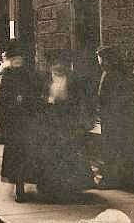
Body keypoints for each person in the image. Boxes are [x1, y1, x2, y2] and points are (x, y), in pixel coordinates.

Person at [32, 56, 93, 202]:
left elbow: (79, 100)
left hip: (67, 121)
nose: (58, 66)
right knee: (50, 154)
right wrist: (45, 102)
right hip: (50, 120)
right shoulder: (45, 81)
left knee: (69, 153)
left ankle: (71, 188)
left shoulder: (72, 81)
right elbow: (38, 98)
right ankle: (49, 188)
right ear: (51, 66)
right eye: (55, 64)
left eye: (61, 64)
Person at [0, 41, 38, 202]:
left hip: (27, 121)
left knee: (28, 154)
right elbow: (2, 101)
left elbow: (35, 95)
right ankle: (19, 187)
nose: (17, 61)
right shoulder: (7, 76)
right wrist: (3, 122)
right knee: (16, 155)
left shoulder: (29, 74)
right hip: (13, 122)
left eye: (20, 58)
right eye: (15, 58)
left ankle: (28, 183)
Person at [96, 46, 134, 189]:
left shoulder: (114, 75)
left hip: (115, 118)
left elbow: (117, 99)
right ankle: (112, 178)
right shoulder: (109, 73)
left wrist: (106, 111)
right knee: (111, 148)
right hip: (110, 117)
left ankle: (111, 180)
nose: (99, 62)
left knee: (112, 148)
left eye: (101, 59)